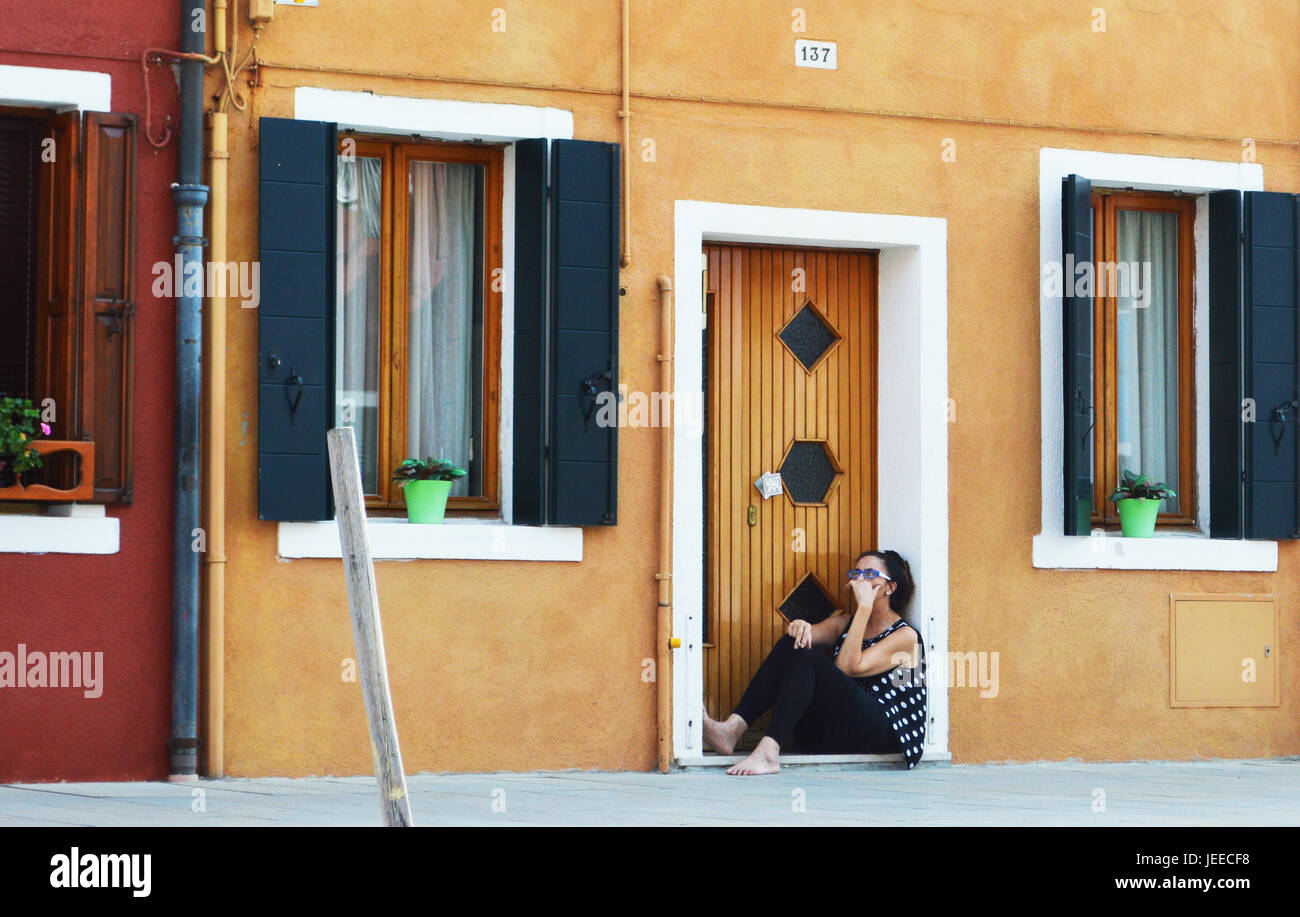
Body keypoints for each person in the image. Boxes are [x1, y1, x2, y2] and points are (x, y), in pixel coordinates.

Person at [702, 549, 927, 775]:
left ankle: (769, 752)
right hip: (834, 732)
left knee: (808, 657)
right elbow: (803, 636)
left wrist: (864, 609)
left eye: (869, 574)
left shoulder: (906, 637)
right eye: (856, 573)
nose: (860, 580)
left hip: (882, 736)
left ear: (890, 587)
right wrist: (801, 626)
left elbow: (848, 667)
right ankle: (731, 730)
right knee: (795, 644)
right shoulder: (845, 623)